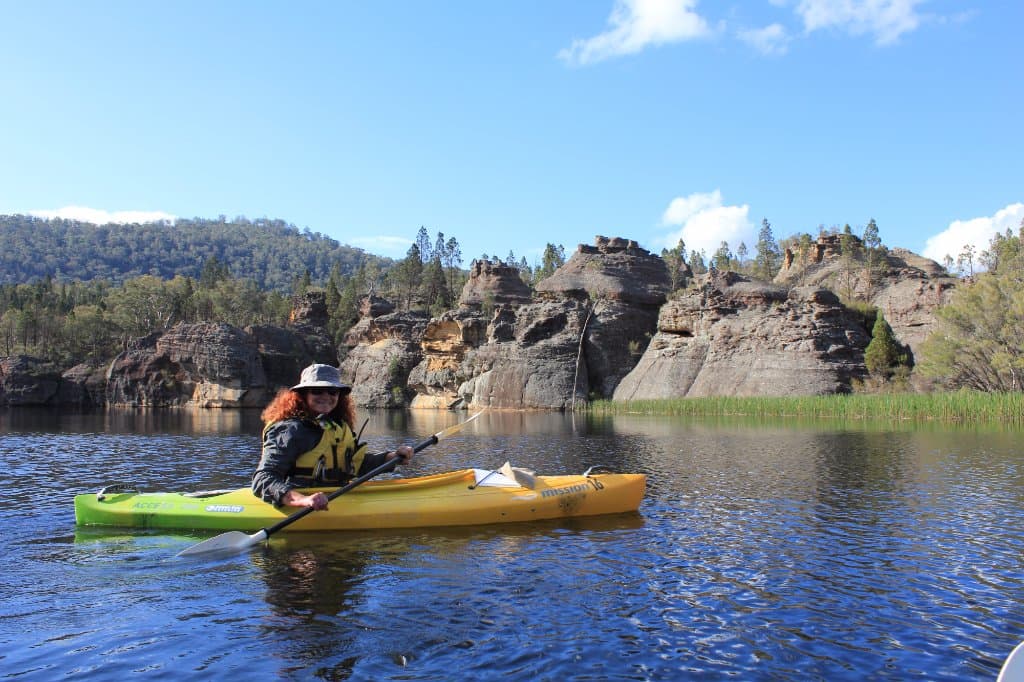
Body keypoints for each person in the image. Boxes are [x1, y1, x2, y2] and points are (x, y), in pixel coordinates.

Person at [252, 364, 414, 510]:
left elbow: (355, 464)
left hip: (336, 495)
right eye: (317, 391)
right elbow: (263, 478)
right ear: (302, 395)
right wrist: (303, 500)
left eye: (332, 391)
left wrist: (392, 457)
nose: (326, 396)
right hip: (298, 502)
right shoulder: (290, 430)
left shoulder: (334, 426)